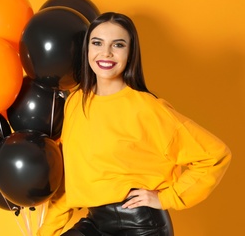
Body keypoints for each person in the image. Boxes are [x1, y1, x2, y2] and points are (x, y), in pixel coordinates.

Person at [37, 12, 232, 236]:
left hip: (141, 225)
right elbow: (69, 179)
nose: (106, 52)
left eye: (118, 45)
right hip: (96, 223)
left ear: (130, 54)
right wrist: (46, 232)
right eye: (97, 43)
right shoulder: (75, 102)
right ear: (87, 49)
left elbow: (215, 155)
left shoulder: (147, 108)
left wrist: (166, 197)